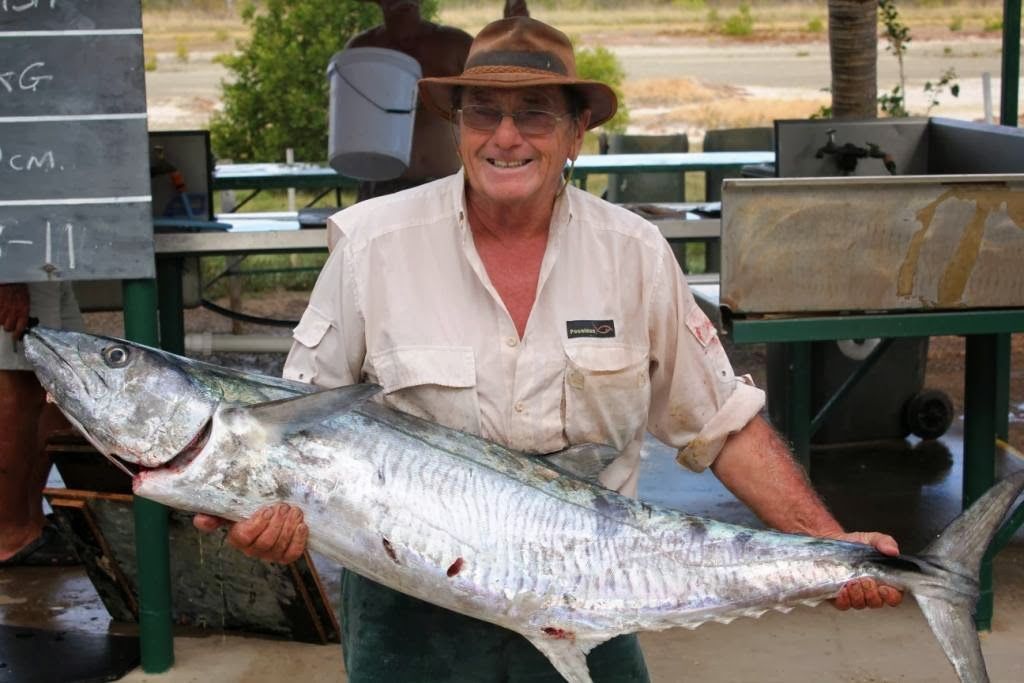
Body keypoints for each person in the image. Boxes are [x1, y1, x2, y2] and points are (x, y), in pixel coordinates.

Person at [197, 16, 903, 681]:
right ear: (458, 128)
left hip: (591, 586)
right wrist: (254, 511)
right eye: (483, 113)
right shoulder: (370, 247)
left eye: (534, 112)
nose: (506, 137)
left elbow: (720, 424)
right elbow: (291, 425)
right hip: (410, 606)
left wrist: (834, 543)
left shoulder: (634, 254)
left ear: (577, 132)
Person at [346, 0, 473, 203]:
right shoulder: (361, 50)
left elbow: (492, 102)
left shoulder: (457, 45)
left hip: (446, 183)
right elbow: (345, 119)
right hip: (380, 185)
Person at [0, 282, 83, 566]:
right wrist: (7, 274)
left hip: (46, 257)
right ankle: (9, 534)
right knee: (20, 385)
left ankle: (29, 520)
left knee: (59, 384)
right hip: (14, 257)